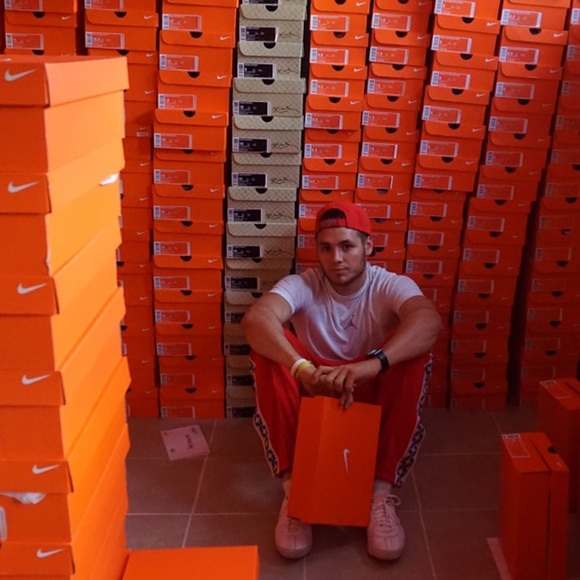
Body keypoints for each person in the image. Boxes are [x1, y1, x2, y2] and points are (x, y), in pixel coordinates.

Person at [241, 201, 442, 561]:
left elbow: (428, 321)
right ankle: (296, 492)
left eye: (347, 246)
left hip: (370, 388)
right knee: (269, 351)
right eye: (326, 248)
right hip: (315, 389)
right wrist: (302, 369)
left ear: (368, 246)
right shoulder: (304, 284)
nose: (336, 258)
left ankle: (379, 494)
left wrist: (374, 364)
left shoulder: (389, 284)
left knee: (415, 353)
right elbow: (257, 320)